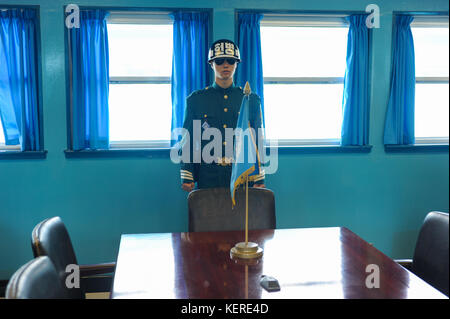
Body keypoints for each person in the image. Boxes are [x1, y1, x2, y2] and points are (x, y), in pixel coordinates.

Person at [180, 39, 265, 192]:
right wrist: (188, 174)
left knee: (241, 217)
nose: (225, 65)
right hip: (209, 175)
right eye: (219, 61)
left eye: (231, 61)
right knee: (209, 216)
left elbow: (257, 139)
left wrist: (259, 176)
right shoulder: (196, 100)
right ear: (211, 64)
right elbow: (188, 140)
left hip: (242, 175)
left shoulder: (250, 99)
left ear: (236, 64)